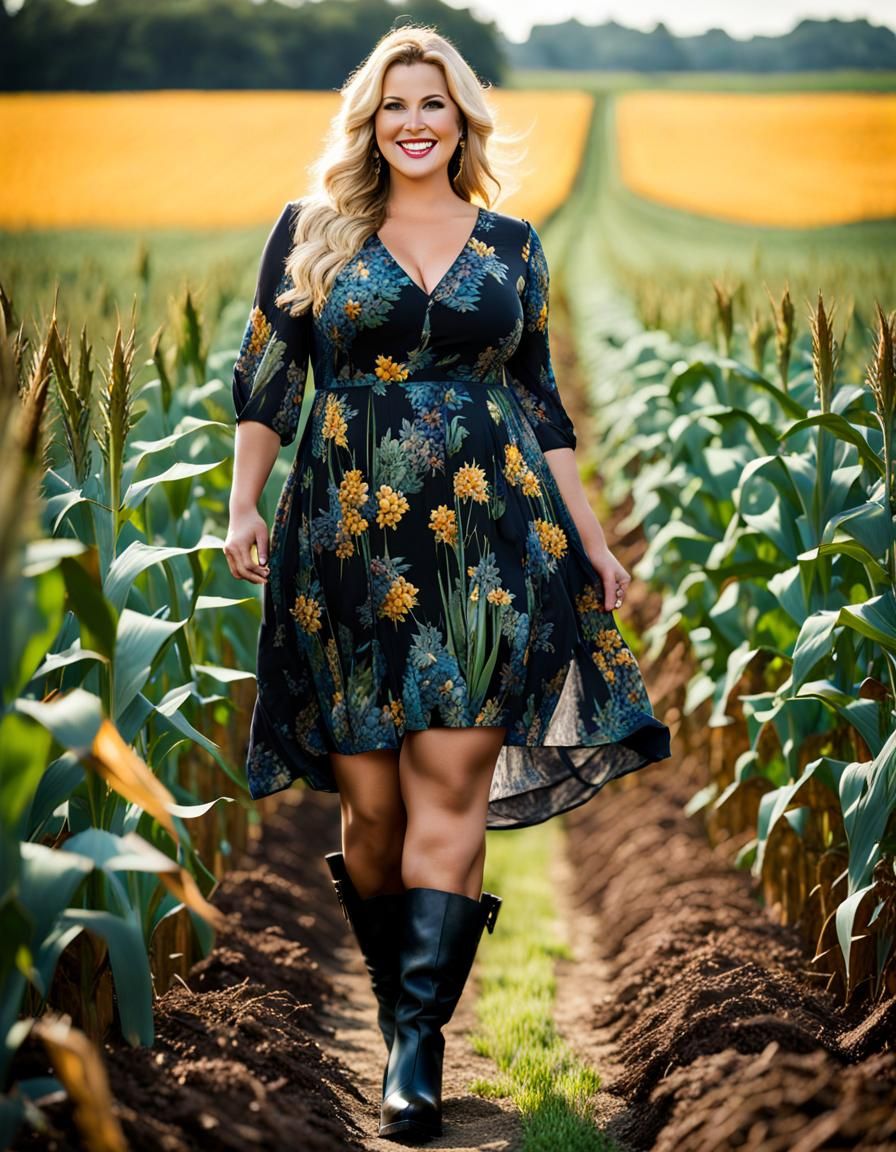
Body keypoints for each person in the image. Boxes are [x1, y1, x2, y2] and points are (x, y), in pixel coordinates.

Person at [225, 23, 672, 1144]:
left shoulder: (514, 246)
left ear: (463, 120)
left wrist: (591, 539)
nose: (414, 122)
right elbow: (269, 383)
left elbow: (543, 407)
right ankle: (398, 1008)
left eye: (433, 104)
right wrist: (243, 505)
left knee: (449, 785)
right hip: (344, 542)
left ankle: (415, 1048)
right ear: (369, 123)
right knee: (372, 809)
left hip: (485, 540)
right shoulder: (312, 232)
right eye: (394, 105)